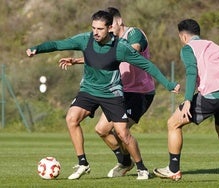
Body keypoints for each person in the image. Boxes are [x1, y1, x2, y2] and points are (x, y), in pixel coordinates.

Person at [26, 10, 180, 180]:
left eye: (100, 29)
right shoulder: (85, 40)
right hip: (89, 90)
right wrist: (36, 49)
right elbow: (58, 44)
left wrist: (168, 84)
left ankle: (141, 167)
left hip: (112, 94)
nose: (96, 32)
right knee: (72, 119)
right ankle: (83, 163)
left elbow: (147, 65)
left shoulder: (121, 47)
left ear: (110, 28)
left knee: (123, 133)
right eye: (93, 28)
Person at [153, 19, 219, 183]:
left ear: (183, 36)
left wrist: (187, 100)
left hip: (211, 96)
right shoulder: (215, 46)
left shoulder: (188, 48)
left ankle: (173, 169)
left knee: (173, 123)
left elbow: (192, 72)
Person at [59, 7, 156, 178]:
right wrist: (78, 60)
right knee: (102, 130)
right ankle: (125, 161)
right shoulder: (109, 40)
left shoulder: (134, 34)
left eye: (109, 27)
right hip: (120, 90)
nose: (107, 30)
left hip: (139, 92)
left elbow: (130, 52)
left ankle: (141, 168)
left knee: (122, 132)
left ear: (116, 22)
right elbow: (104, 57)